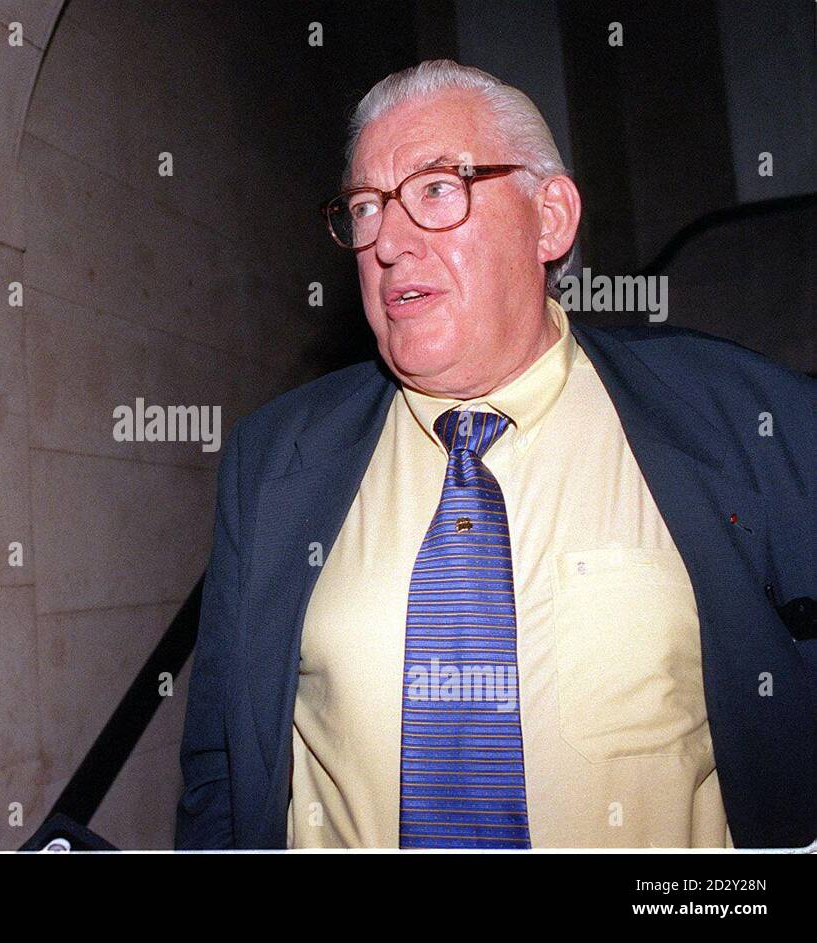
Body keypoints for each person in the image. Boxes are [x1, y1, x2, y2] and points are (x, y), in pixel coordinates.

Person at [176, 60, 815, 850]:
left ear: (550, 217)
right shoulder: (271, 461)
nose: (390, 243)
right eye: (367, 207)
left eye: (438, 189)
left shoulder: (746, 420)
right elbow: (220, 769)